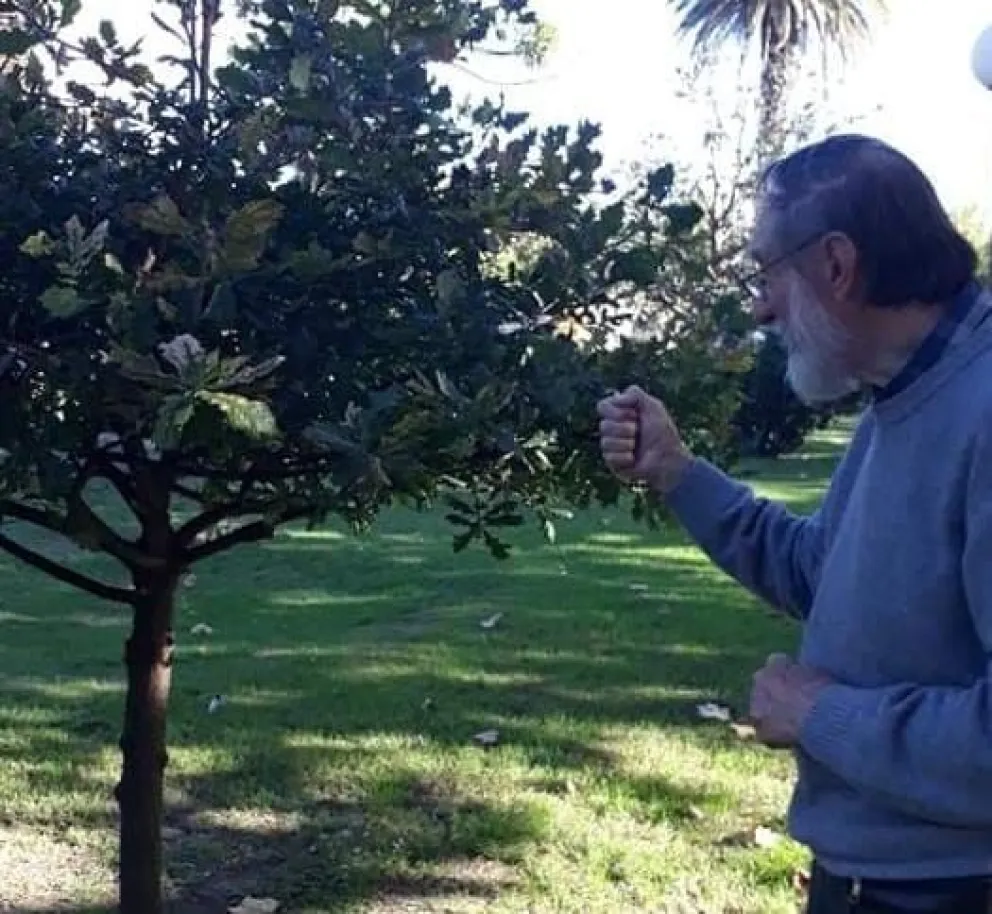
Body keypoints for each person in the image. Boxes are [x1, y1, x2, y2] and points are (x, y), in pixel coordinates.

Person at [598, 134, 992, 914]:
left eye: (764, 271)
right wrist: (678, 473)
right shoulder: (907, 396)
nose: (758, 306)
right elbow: (824, 572)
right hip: (875, 879)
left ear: (836, 265)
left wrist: (821, 715)